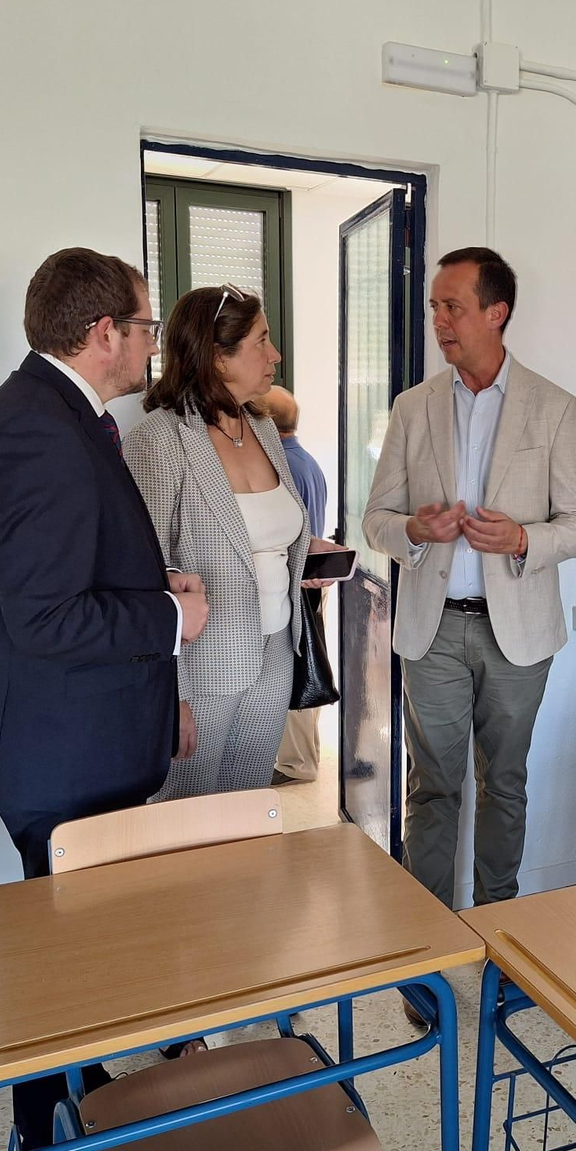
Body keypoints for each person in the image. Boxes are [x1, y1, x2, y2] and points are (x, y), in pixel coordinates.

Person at [0, 247, 207, 1148]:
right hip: (62, 759)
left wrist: (150, 589)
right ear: (103, 333)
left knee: (76, 966)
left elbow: (70, 576)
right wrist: (169, 618)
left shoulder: (61, 412)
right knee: (55, 982)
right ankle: (45, 1137)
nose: (150, 343)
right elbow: (48, 621)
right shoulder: (37, 430)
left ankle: (77, 1092)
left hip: (77, 744)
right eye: (143, 327)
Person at [363, 246, 576, 909]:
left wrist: (524, 538)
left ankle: (501, 934)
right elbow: (374, 519)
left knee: (506, 785)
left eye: (452, 306)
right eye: (435, 305)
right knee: (433, 787)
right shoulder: (412, 408)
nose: (439, 319)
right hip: (432, 632)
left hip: (516, 634)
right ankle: (427, 943)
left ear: (496, 313)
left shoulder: (554, 408)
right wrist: (414, 530)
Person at [125, 285, 340, 798]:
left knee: (248, 811)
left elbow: (257, 536)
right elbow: (142, 573)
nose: (275, 355)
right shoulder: (158, 439)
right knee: (186, 821)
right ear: (217, 356)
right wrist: (167, 699)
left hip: (274, 652)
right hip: (198, 671)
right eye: (261, 341)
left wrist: (304, 552)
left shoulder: (263, 429)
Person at [260, 384, 330, 784]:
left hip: (298, 584)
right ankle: (301, 758)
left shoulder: (282, 469)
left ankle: (297, 763)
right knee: (307, 667)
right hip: (309, 582)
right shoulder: (307, 461)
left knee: (300, 671)